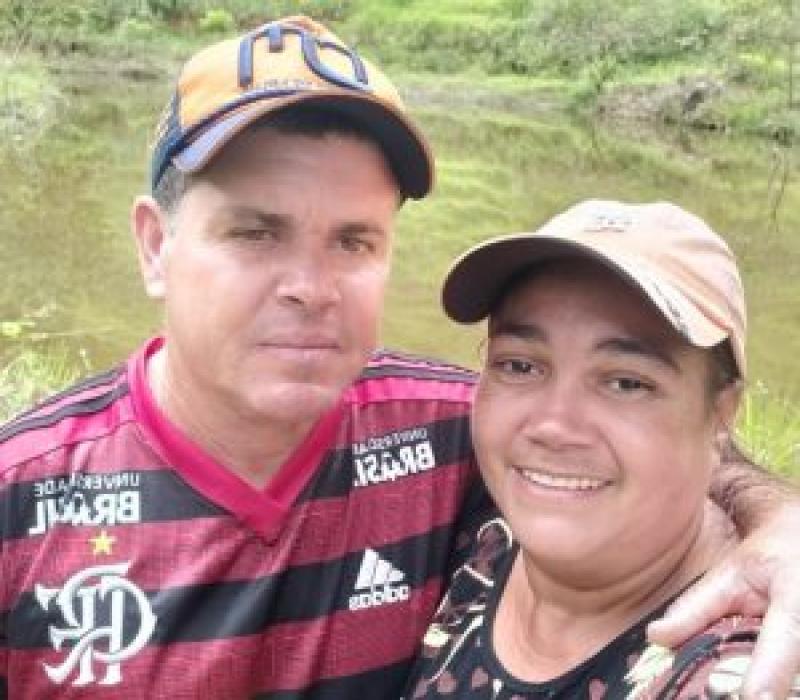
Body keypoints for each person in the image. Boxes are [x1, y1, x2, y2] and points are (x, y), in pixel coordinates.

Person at [0, 15, 797, 700]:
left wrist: (779, 521)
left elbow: (644, 441)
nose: (310, 288)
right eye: (256, 233)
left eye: (353, 241)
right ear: (155, 246)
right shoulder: (20, 501)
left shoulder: (453, 434)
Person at [403, 200, 793, 699]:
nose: (553, 426)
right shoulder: (483, 526)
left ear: (721, 414)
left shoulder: (737, 667)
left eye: (627, 383)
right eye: (520, 365)